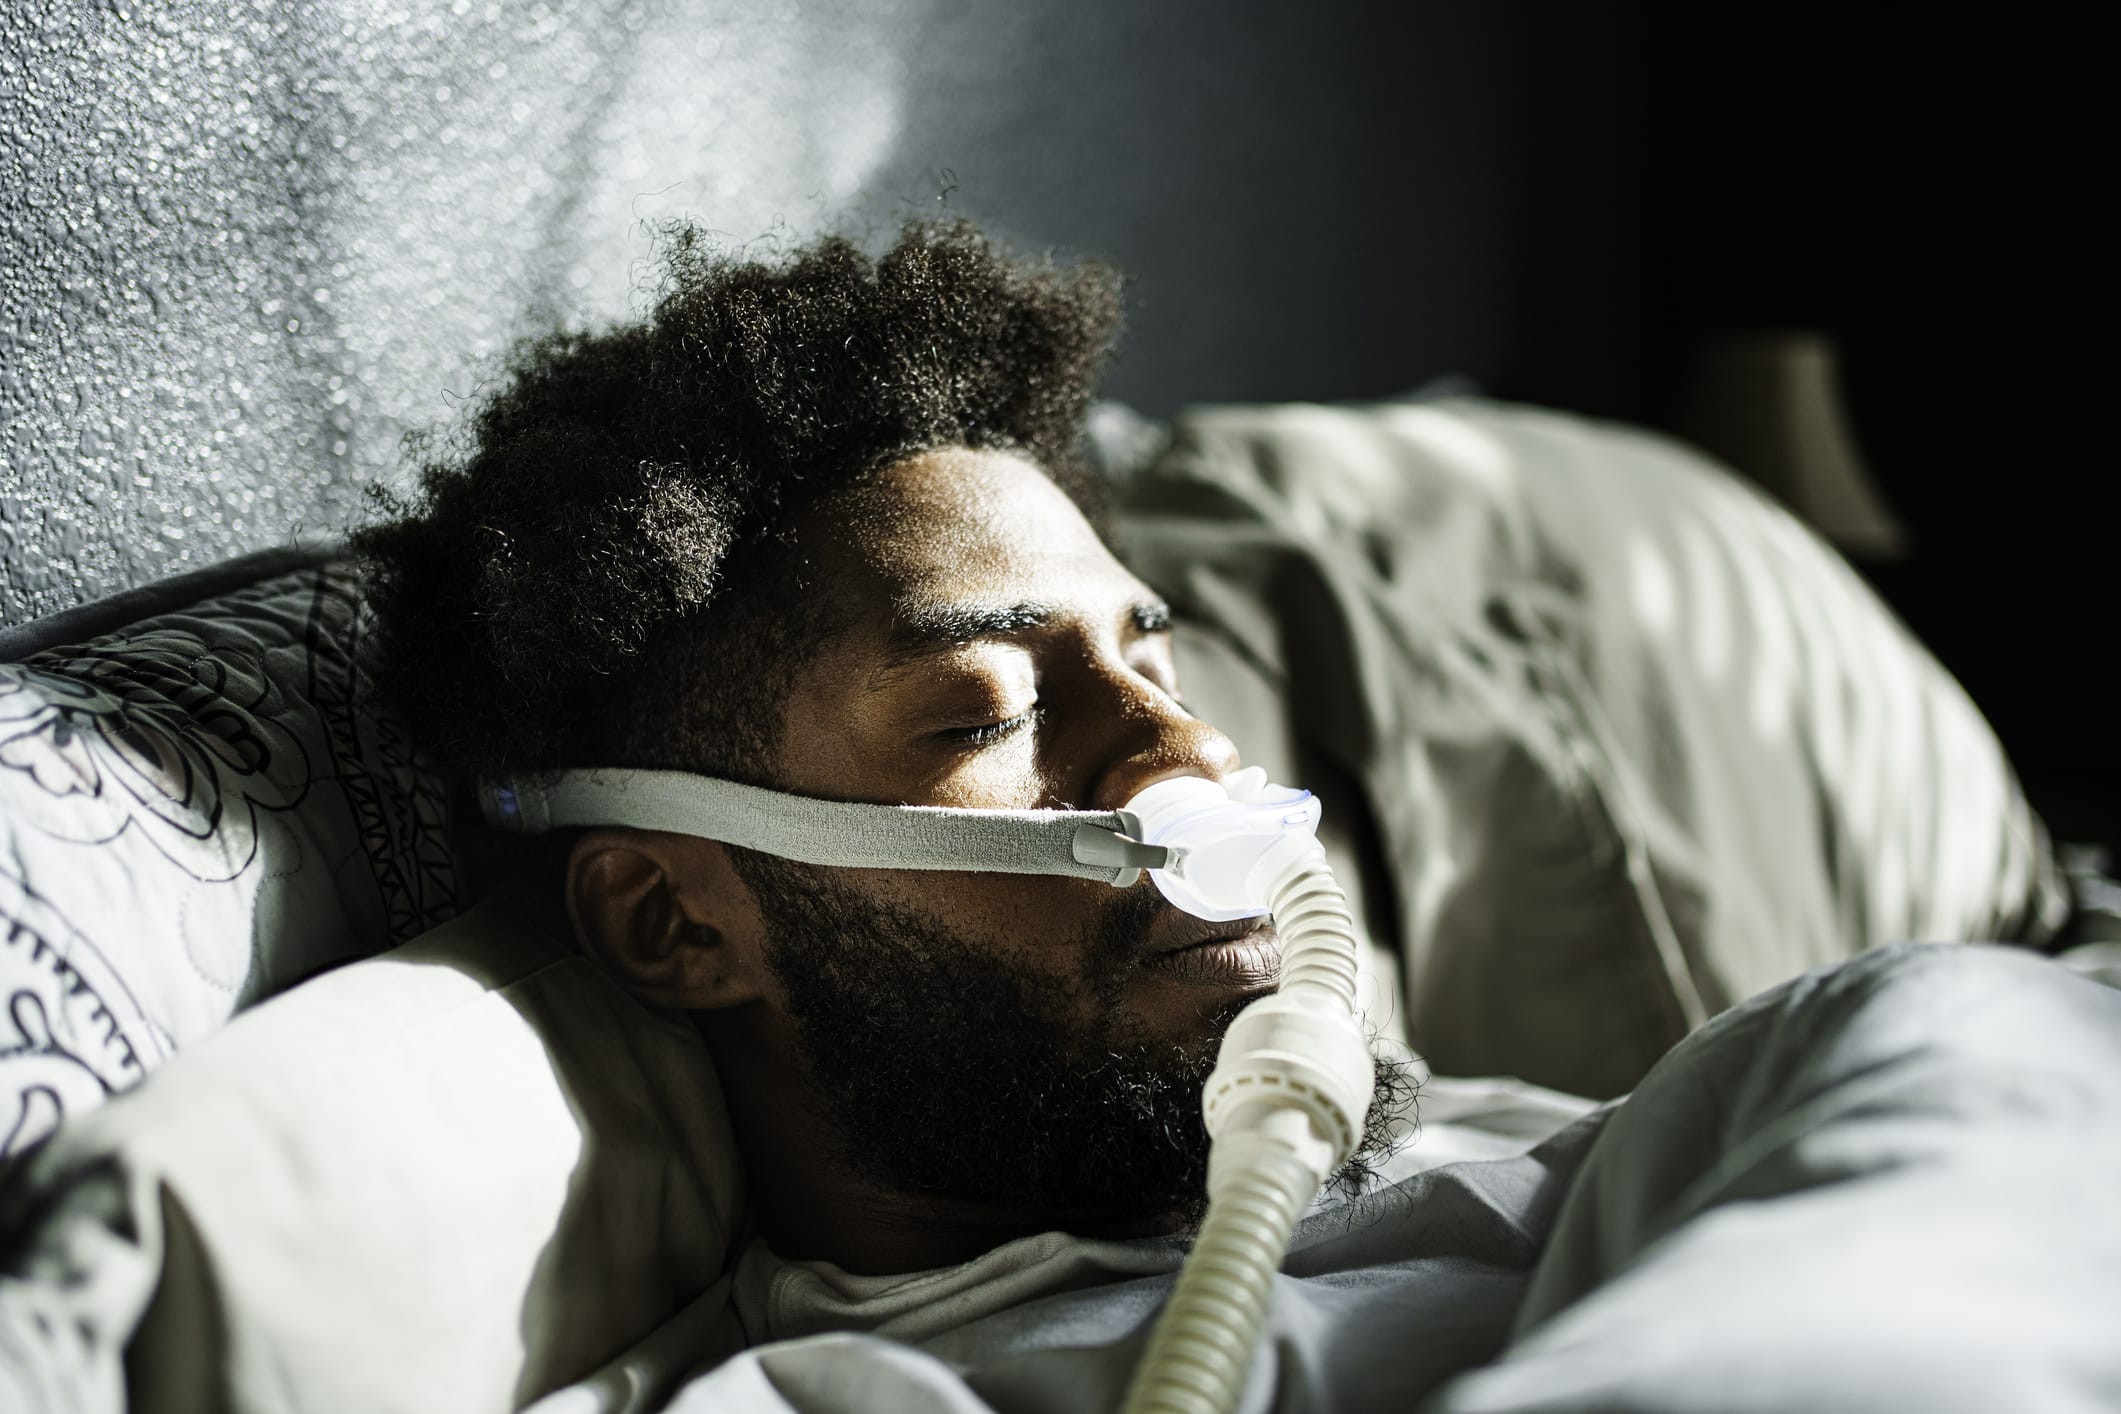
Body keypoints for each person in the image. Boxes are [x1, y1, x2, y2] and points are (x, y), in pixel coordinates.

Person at [351, 221, 2121, 1412]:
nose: (1184, 757)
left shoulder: (1564, 1134)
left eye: (1153, 657)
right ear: (674, 919)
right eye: (992, 710)